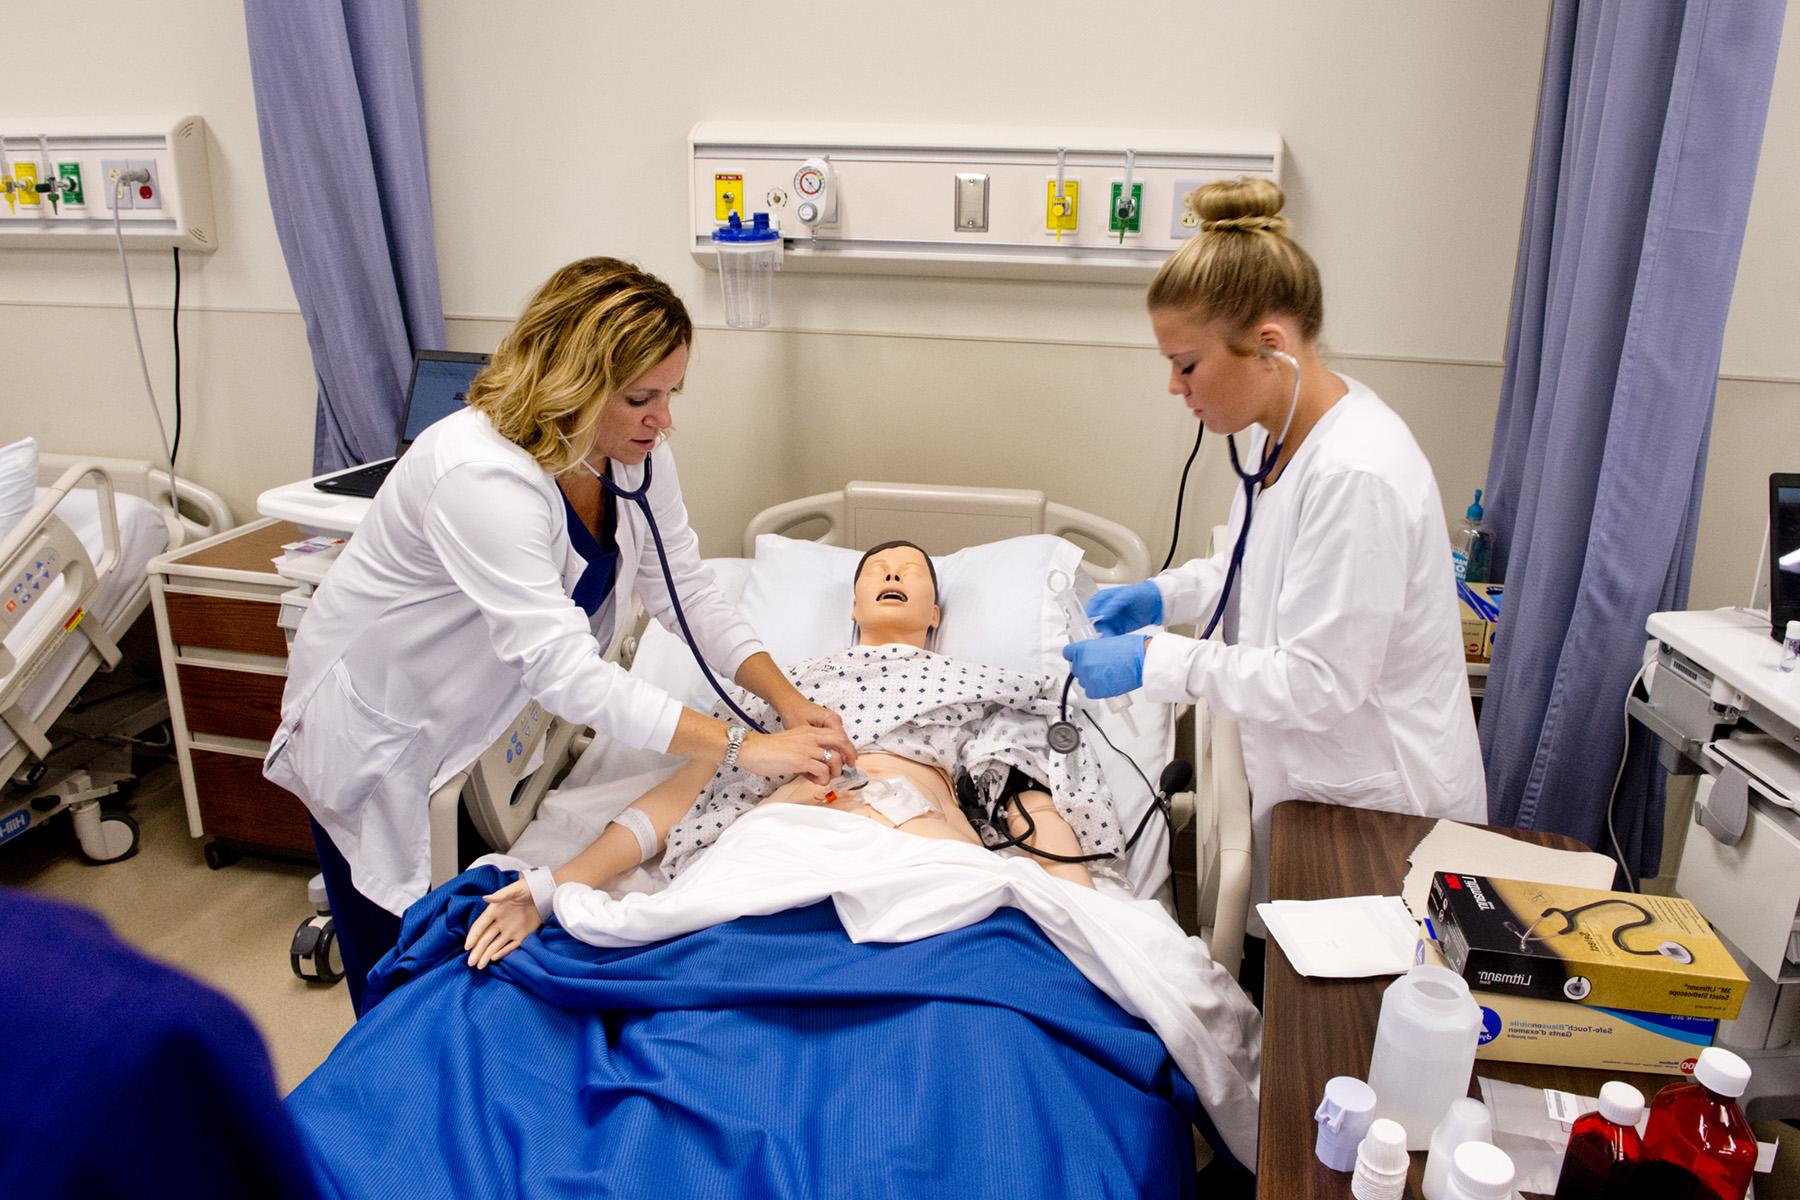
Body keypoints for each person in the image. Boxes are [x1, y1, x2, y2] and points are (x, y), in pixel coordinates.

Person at [265, 258, 855, 1014]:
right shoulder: (479, 475)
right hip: (382, 729)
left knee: (463, 936)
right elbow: (565, 674)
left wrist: (788, 700)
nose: (663, 420)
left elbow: (689, 594)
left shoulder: (633, 457)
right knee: (393, 970)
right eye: (642, 397)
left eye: (672, 394)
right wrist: (747, 747)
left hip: (479, 719)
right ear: (569, 382)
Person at [1061, 177, 1486, 923]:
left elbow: (1321, 682)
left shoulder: (1359, 474)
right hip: (1319, 798)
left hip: (1383, 822)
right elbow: (1259, 565)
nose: (1173, 387)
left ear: (1270, 347)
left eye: (1187, 364)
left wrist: (1156, 659)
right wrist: (1170, 592)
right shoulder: (1280, 424)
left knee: (1341, 1034)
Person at [465, 540, 1117, 969]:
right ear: (854, 608)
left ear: (936, 614)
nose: (892, 572)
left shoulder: (984, 688)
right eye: (876, 571)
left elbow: (1028, 805)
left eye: (911, 572)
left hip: (928, 883)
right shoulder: (787, 694)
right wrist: (552, 888)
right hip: (773, 872)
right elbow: (671, 806)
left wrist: (1095, 932)